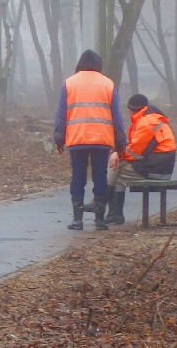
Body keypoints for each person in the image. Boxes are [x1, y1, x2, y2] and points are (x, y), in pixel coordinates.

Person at [52, 49, 128, 232]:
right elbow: (117, 116)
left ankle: (77, 220)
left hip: (77, 138)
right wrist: (120, 143)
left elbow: (62, 114)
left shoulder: (69, 83)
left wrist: (59, 138)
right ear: (98, 65)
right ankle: (99, 220)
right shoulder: (108, 84)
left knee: (78, 177)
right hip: (101, 139)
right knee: (100, 177)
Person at [106, 94, 177, 225]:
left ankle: (106, 206)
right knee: (118, 167)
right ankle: (110, 212)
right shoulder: (153, 118)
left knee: (117, 170)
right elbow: (138, 150)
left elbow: (134, 153)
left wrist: (117, 153)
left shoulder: (146, 122)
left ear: (132, 108)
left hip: (157, 168)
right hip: (161, 165)